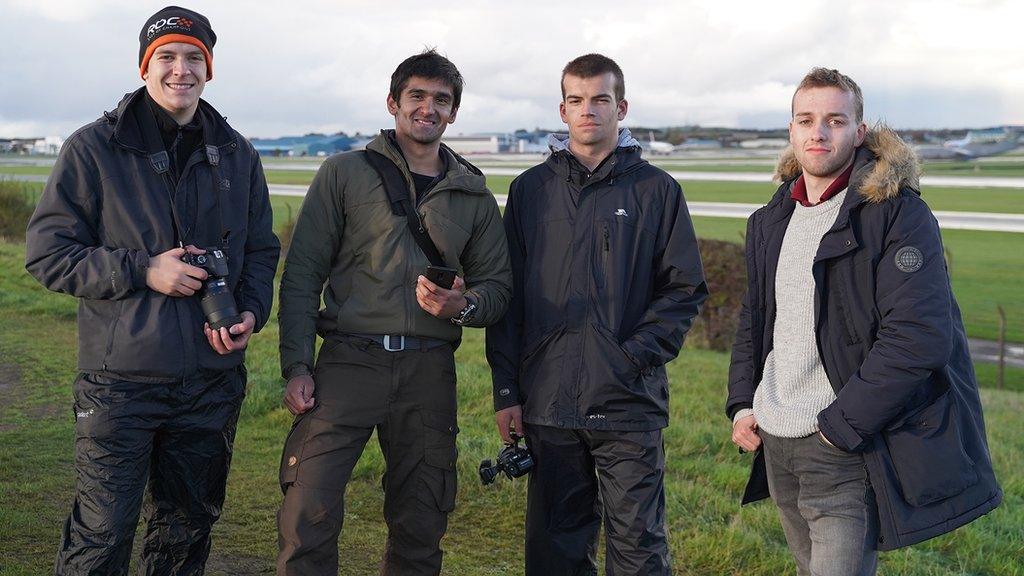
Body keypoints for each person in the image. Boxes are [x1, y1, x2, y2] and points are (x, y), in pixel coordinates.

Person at [24, 6, 280, 573]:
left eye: (194, 58)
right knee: (102, 535)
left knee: (186, 530)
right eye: (166, 57)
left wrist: (251, 311)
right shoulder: (93, 148)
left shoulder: (237, 153)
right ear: (145, 66)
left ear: (209, 69)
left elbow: (261, 251)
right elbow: (47, 255)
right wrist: (143, 270)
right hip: (120, 383)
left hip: (211, 383)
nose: (180, 70)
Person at [727, 67, 1002, 575]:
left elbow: (918, 337)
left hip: (841, 442)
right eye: (806, 119)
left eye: (835, 119)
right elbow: (757, 317)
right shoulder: (771, 221)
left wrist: (840, 426)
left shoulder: (895, 214)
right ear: (790, 130)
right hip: (776, 438)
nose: (818, 131)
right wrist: (743, 403)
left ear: (859, 131)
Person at [275, 49, 512, 575]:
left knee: (421, 520)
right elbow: (302, 276)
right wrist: (296, 365)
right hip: (347, 360)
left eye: (441, 101)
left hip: (429, 369)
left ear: (453, 113)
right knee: (308, 508)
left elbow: (499, 289)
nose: (428, 108)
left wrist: (463, 305)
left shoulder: (473, 194)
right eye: (417, 96)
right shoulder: (344, 174)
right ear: (393, 103)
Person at [486, 53, 708, 575]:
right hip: (547, 403)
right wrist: (506, 390)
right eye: (577, 100)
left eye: (601, 100)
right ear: (563, 110)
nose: (589, 111)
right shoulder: (529, 191)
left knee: (638, 551)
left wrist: (629, 358)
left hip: (627, 403)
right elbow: (508, 298)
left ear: (621, 107)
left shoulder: (657, 190)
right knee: (555, 550)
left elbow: (684, 289)